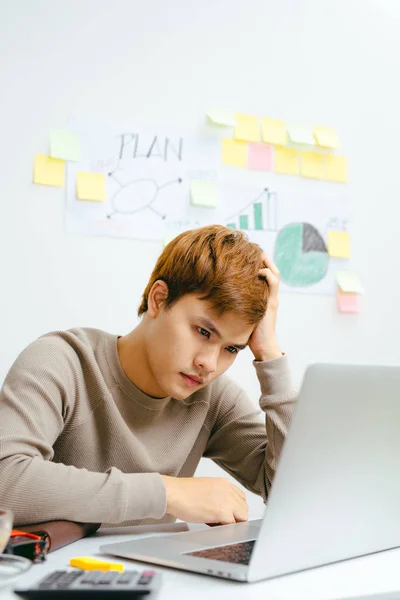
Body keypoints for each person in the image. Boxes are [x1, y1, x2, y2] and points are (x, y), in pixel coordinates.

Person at [0, 225, 296, 528]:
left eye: (232, 348)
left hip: (156, 573)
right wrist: (166, 493)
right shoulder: (62, 361)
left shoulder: (214, 398)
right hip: (55, 572)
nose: (209, 363)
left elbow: (290, 492)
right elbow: (5, 479)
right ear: (158, 299)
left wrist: (270, 354)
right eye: (203, 331)